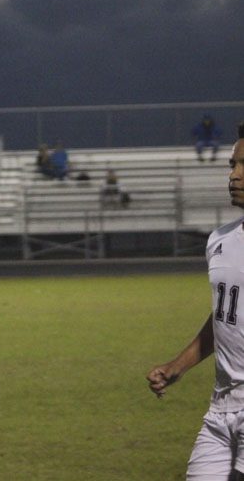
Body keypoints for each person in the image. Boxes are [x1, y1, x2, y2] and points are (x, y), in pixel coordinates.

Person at [147, 122, 244, 479]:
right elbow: (225, 317)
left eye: (243, 165)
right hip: (220, 409)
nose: (233, 175)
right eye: (232, 165)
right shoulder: (219, 241)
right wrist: (177, 367)